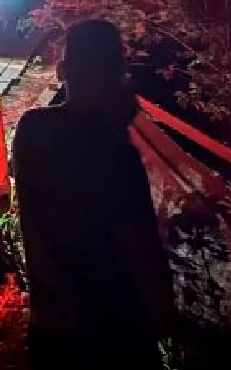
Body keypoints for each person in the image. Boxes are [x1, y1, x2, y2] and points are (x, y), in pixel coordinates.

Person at [12, 20, 174, 370]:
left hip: (50, 329)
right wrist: (164, 324)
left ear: (63, 70)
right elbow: (142, 252)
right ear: (120, 75)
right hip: (111, 335)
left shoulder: (31, 130)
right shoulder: (116, 155)